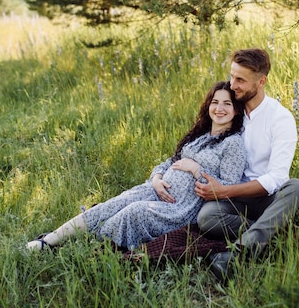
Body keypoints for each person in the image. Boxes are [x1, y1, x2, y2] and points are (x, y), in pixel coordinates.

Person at [26, 81, 248, 251]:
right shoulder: (199, 135)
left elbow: (225, 190)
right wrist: (157, 178)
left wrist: (195, 170)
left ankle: (87, 245)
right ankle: (48, 241)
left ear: (236, 110)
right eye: (215, 102)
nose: (219, 108)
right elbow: (170, 161)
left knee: (135, 211)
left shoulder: (233, 144)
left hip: (179, 207)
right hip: (155, 189)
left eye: (227, 103)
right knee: (111, 205)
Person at [194, 48, 299, 282]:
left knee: (297, 187)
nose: (232, 84)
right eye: (232, 76)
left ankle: (234, 256)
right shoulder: (230, 111)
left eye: (240, 80)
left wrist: (224, 191)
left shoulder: (280, 118)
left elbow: (276, 177)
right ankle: (277, 231)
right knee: (206, 218)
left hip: (269, 197)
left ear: (261, 81)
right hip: (237, 201)